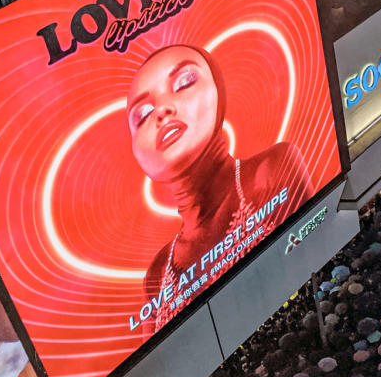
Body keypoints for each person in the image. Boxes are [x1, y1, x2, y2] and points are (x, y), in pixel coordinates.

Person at [128, 45, 314, 329]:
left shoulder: (272, 169)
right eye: (142, 114)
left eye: (184, 82)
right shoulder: (159, 269)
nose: (162, 111)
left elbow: (311, 252)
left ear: (219, 92)